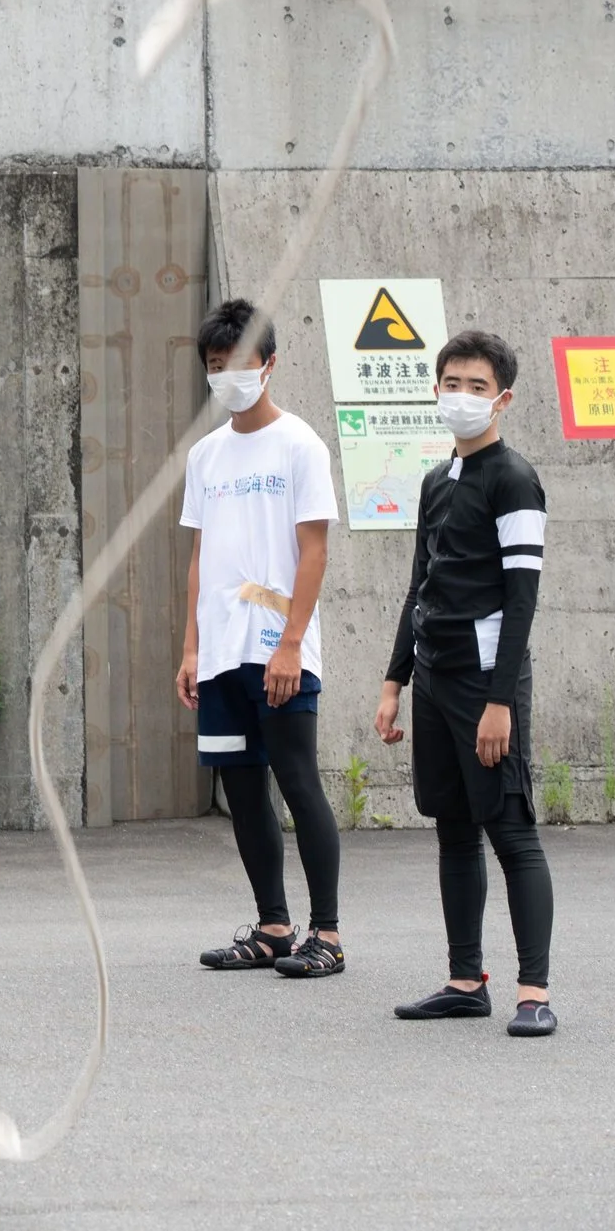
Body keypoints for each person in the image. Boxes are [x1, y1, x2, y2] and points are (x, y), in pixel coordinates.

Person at [376, 329, 558, 1037]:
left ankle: (534, 993)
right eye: (451, 383)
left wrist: (500, 702)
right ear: (435, 390)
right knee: (453, 830)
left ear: (502, 399)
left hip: (487, 684)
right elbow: (419, 586)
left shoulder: (514, 479)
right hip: (434, 676)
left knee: (511, 832)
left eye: (477, 386)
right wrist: (395, 681)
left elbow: (522, 600)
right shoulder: (436, 481)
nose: (462, 396)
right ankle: (464, 981)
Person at [180, 299, 347, 980]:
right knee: (243, 789)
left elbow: (314, 551)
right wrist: (191, 648)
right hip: (221, 653)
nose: (227, 377)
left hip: (279, 648)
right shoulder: (205, 456)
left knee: (298, 782)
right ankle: (274, 928)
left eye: (238, 364)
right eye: (215, 366)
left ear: (269, 364)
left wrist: (291, 644)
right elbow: (200, 558)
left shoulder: (300, 445)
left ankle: (327, 934)